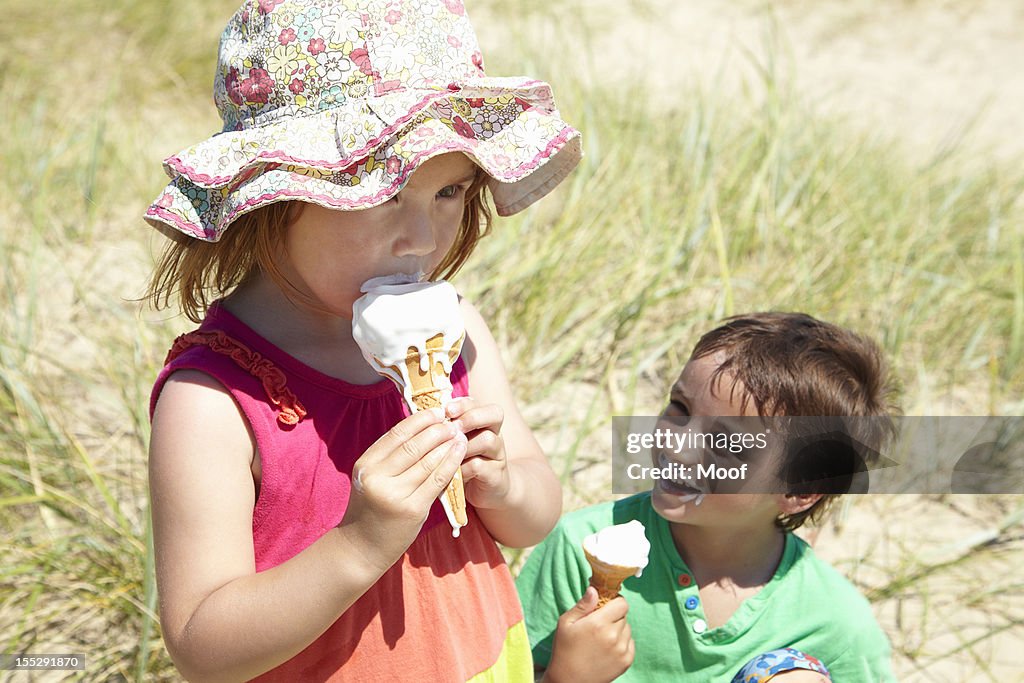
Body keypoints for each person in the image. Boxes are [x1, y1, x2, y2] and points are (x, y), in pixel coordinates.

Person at [143, 1, 581, 680]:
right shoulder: (215, 400)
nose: (425, 239)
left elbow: (536, 514)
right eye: (383, 195)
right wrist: (360, 542)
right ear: (273, 195)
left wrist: (500, 483)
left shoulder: (458, 335)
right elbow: (203, 644)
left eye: (450, 192)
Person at [516, 313, 899, 682]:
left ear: (799, 491)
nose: (678, 447)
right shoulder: (579, 549)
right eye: (680, 408)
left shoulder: (835, 624)